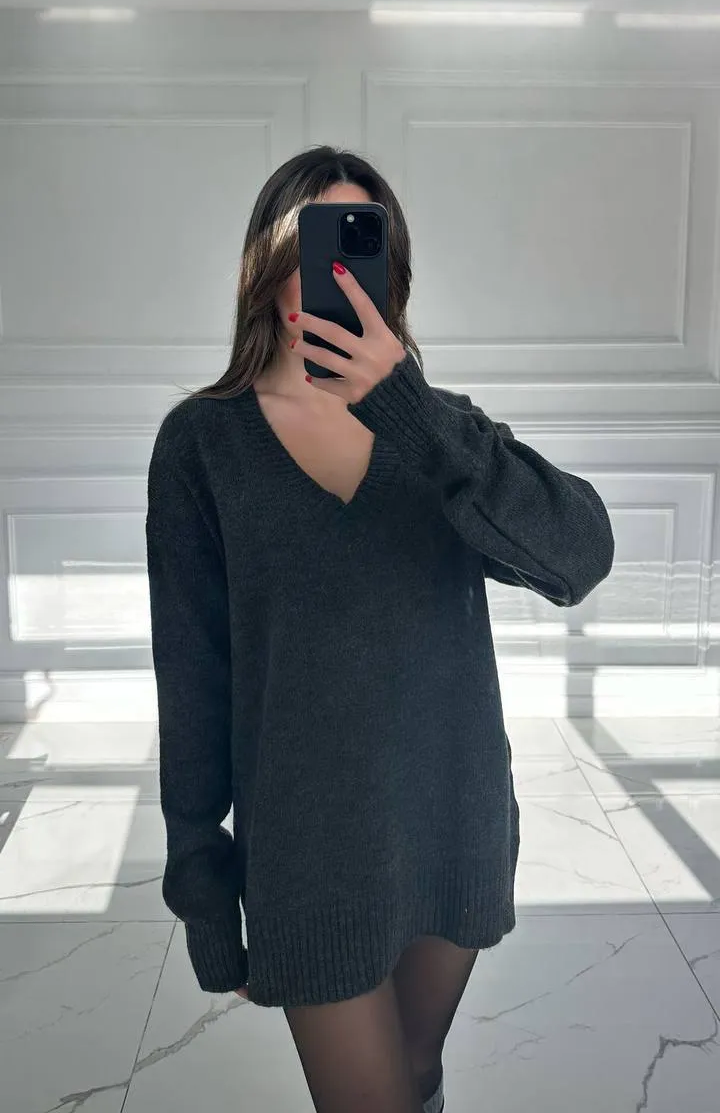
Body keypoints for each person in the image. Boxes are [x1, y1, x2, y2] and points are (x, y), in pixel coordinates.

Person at [145, 145, 615, 1113]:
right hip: (309, 853)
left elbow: (580, 555)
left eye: (357, 248)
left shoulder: (440, 434)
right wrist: (205, 894)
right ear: (265, 267)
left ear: (390, 275)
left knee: (419, 1072)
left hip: (452, 821)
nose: (329, 277)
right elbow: (192, 681)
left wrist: (407, 408)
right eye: (307, 248)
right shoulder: (203, 444)